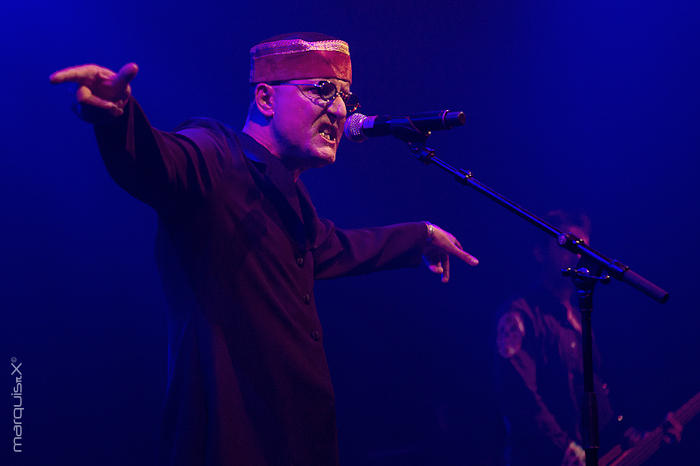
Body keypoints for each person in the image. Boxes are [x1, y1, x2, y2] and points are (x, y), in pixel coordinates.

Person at [50, 32, 479, 466]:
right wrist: (118, 116)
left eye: (346, 96)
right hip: (230, 439)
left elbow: (338, 247)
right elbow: (160, 161)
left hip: (293, 439)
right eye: (323, 91)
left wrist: (421, 235)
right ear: (266, 99)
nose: (342, 111)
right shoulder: (215, 152)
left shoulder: (292, 200)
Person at [493, 211, 683, 466]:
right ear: (539, 253)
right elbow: (519, 395)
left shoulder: (581, 317)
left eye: (584, 247)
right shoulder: (519, 314)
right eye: (569, 245)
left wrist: (633, 437)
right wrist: (566, 449)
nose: (578, 253)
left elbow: (597, 397)